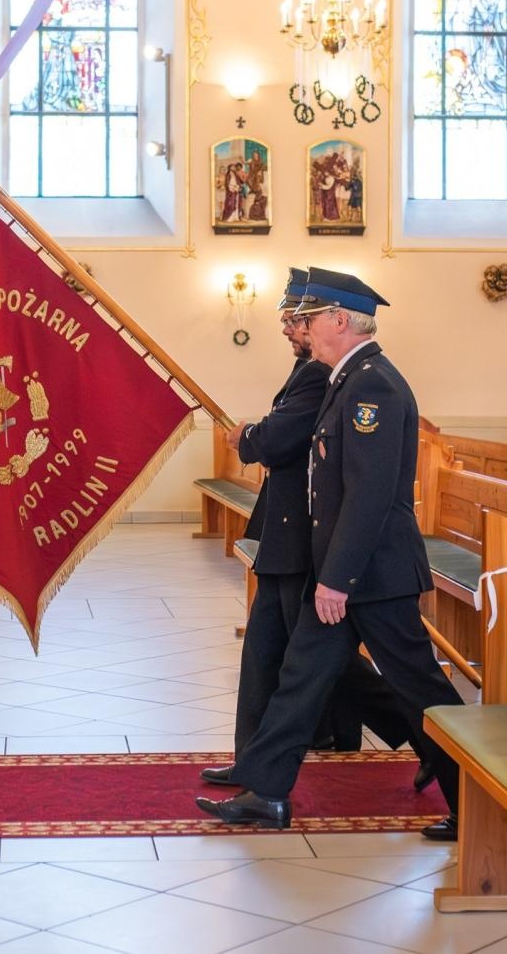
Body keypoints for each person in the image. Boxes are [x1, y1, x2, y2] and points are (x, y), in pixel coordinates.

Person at [196, 267, 463, 841]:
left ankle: (475, 798)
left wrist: (336, 578)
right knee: (301, 677)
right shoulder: (348, 378)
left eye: (310, 318)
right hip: (345, 568)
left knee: (421, 687)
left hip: (373, 573)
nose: (301, 328)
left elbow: (368, 497)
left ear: (340, 321)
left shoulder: (373, 385)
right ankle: (266, 793)